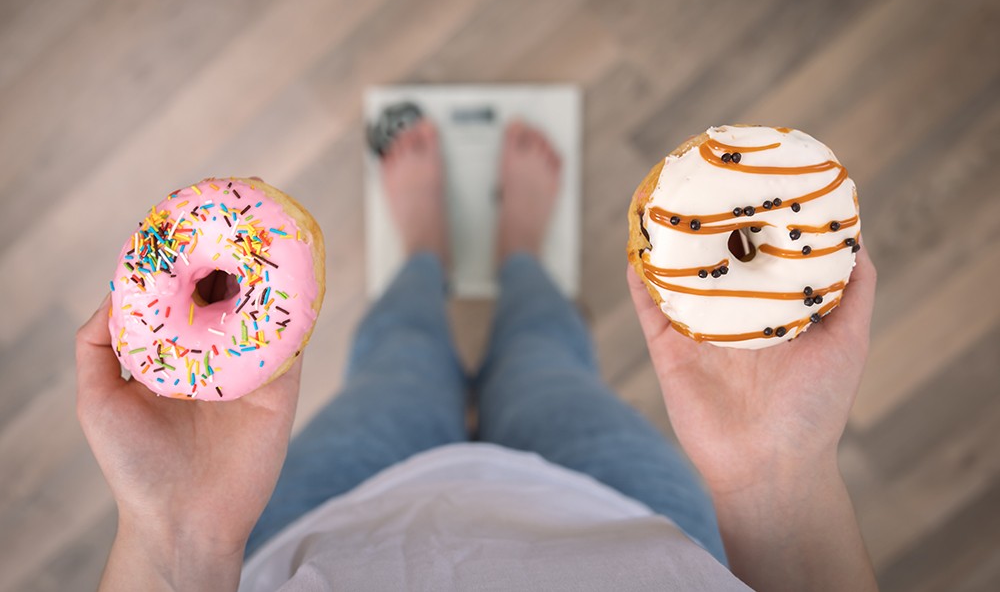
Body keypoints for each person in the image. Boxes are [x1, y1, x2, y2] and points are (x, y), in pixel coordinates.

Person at [77, 120, 879, 591]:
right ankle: (514, 247)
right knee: (545, 356)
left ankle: (429, 247)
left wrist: (176, 532)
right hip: (632, 520)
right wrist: (777, 479)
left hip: (310, 531)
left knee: (398, 356)